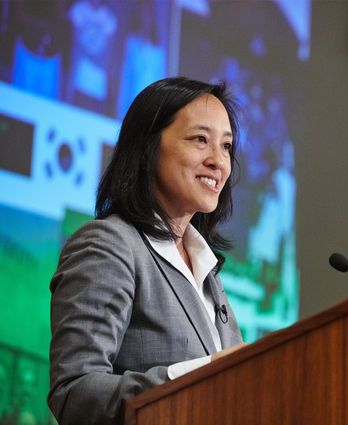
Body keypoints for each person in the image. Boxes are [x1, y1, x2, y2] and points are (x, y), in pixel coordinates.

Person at [48, 77, 245, 425]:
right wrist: (201, 377)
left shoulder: (207, 271)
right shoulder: (109, 245)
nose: (219, 161)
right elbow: (75, 393)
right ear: (148, 147)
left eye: (227, 146)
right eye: (201, 139)